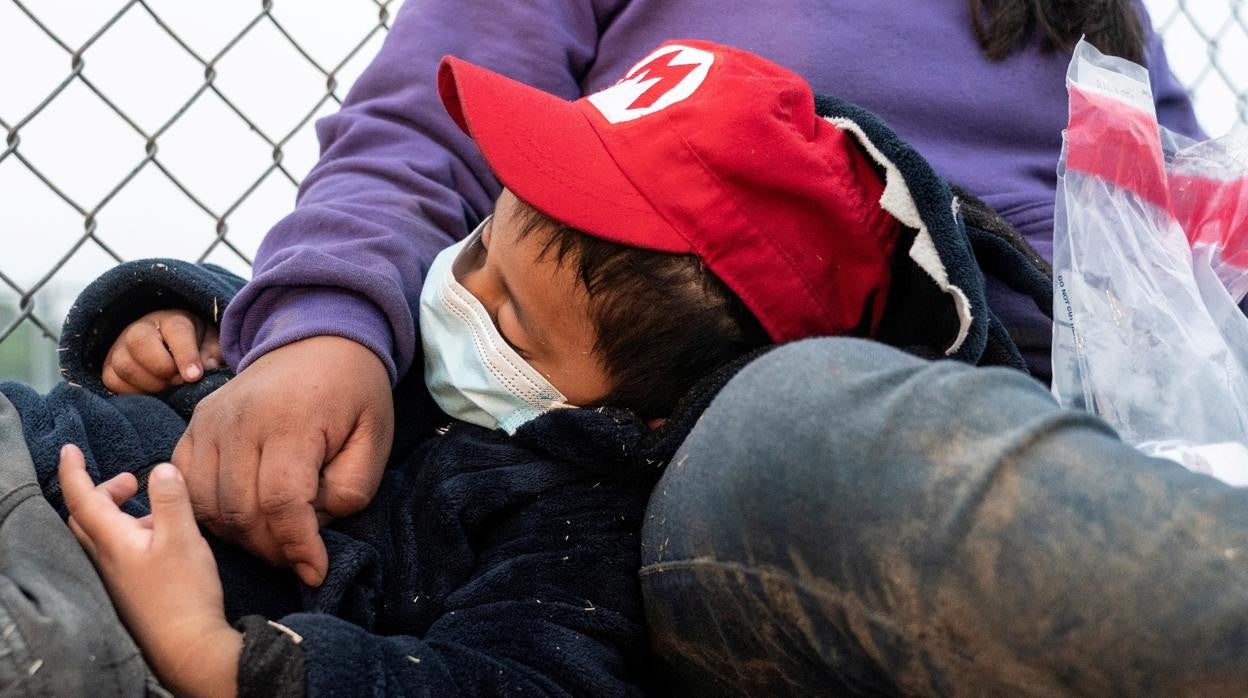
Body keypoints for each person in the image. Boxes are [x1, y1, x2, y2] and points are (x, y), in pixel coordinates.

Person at [144, 0, 1244, 693]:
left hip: (1079, 423)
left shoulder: (1085, 12)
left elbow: (1181, 233)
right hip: (759, 428)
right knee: (839, 409)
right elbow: (415, 137)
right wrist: (318, 328)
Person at [6, 40, 1033, 694]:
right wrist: (163, 324)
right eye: (479, 244)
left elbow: (510, 678)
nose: (458, 291)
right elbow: (231, 321)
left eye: (516, 318)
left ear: (655, 417)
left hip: (81, 604)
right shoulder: (392, 337)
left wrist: (226, 658)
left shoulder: (573, 530)